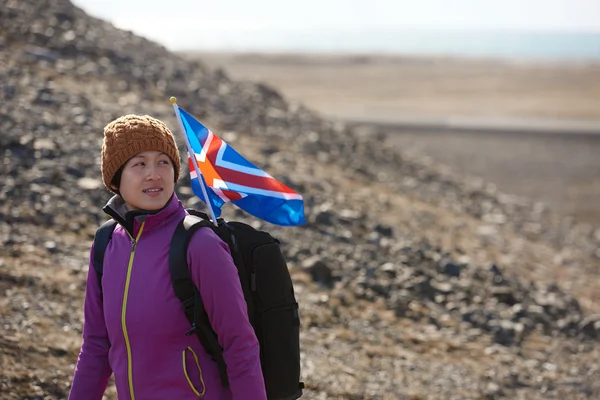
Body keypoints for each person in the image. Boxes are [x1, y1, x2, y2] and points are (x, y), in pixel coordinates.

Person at [69, 114, 267, 400]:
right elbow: (96, 347)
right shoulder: (106, 243)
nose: (154, 174)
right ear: (116, 178)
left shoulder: (199, 244)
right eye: (139, 164)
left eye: (163, 162)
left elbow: (240, 345)